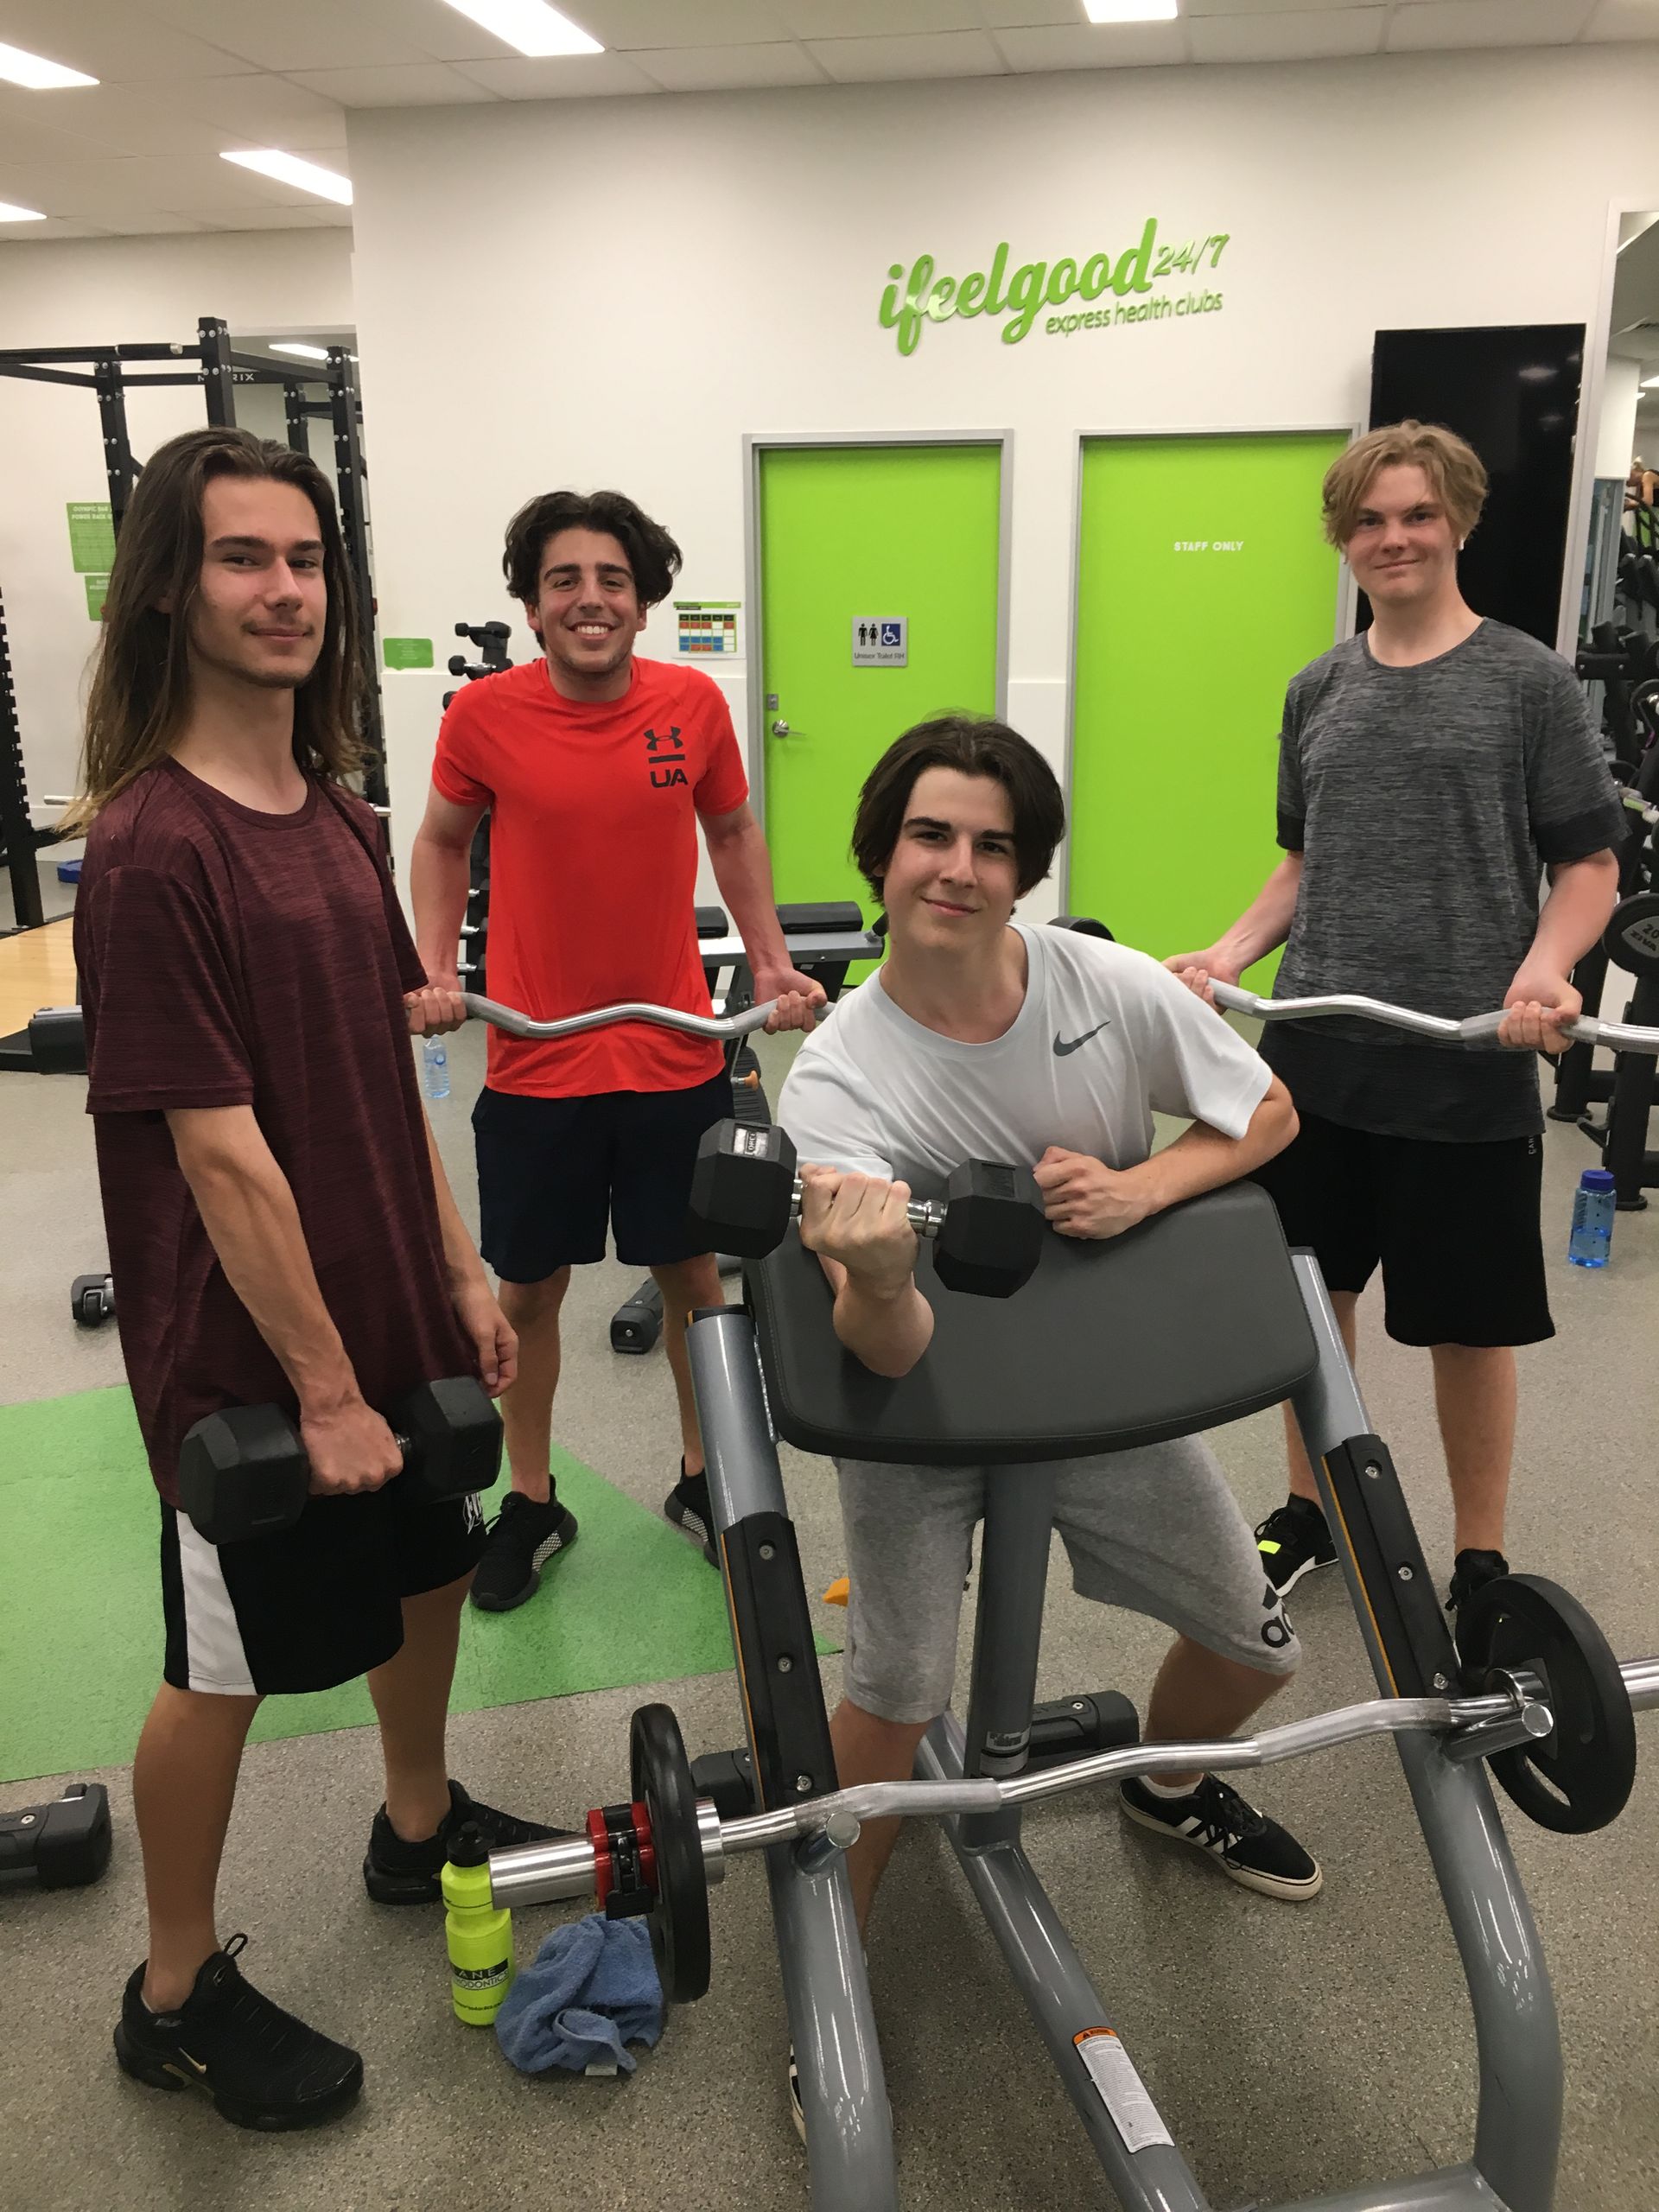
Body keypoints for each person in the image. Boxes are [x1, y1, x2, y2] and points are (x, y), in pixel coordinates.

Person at [69, 427, 556, 2133]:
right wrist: (327, 1385)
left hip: (391, 1307)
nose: (284, 590)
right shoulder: (151, 848)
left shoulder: (346, 823)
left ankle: (415, 1822)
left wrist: (459, 1266)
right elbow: (218, 1151)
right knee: (225, 1662)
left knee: (431, 1570)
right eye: (240, 557)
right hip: (251, 1356)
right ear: (170, 587)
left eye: (304, 559)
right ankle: (174, 1987)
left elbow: (385, 1082)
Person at [773, 715, 1319, 2123]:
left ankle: (1168, 1782)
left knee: (1256, 1642)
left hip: (1100, 1373)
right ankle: (830, 1962)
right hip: (929, 1390)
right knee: (893, 1692)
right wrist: (884, 1273)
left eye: (991, 844)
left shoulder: (1106, 981)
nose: (957, 867)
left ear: (1023, 871)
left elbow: (1265, 1111)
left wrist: (1144, 1189)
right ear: (880, 856)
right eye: (930, 837)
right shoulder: (839, 1078)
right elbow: (878, 1342)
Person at [1166, 421, 1624, 1610]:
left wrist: (1545, 969)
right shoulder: (1317, 687)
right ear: (1344, 538)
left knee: (1470, 1328)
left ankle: (1478, 1557)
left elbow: (1589, 870)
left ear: (1459, 522)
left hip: (1464, 1059)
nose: (1394, 537)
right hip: (1317, 1056)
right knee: (1310, 1297)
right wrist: (1225, 951)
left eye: (1417, 514)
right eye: (1369, 520)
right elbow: (1300, 866)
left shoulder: (1528, 681)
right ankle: (1310, 1508)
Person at [409, 488, 822, 1613]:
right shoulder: (484, 716)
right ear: (532, 607)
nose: (590, 599)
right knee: (528, 1296)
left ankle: (708, 1478)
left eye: (613, 581)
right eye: (565, 581)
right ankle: (532, 1499)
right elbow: (442, 842)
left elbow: (733, 832)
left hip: (675, 1056)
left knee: (694, 1279)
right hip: (538, 1063)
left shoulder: (691, 705)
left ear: (643, 605)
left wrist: (773, 964)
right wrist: (439, 970)